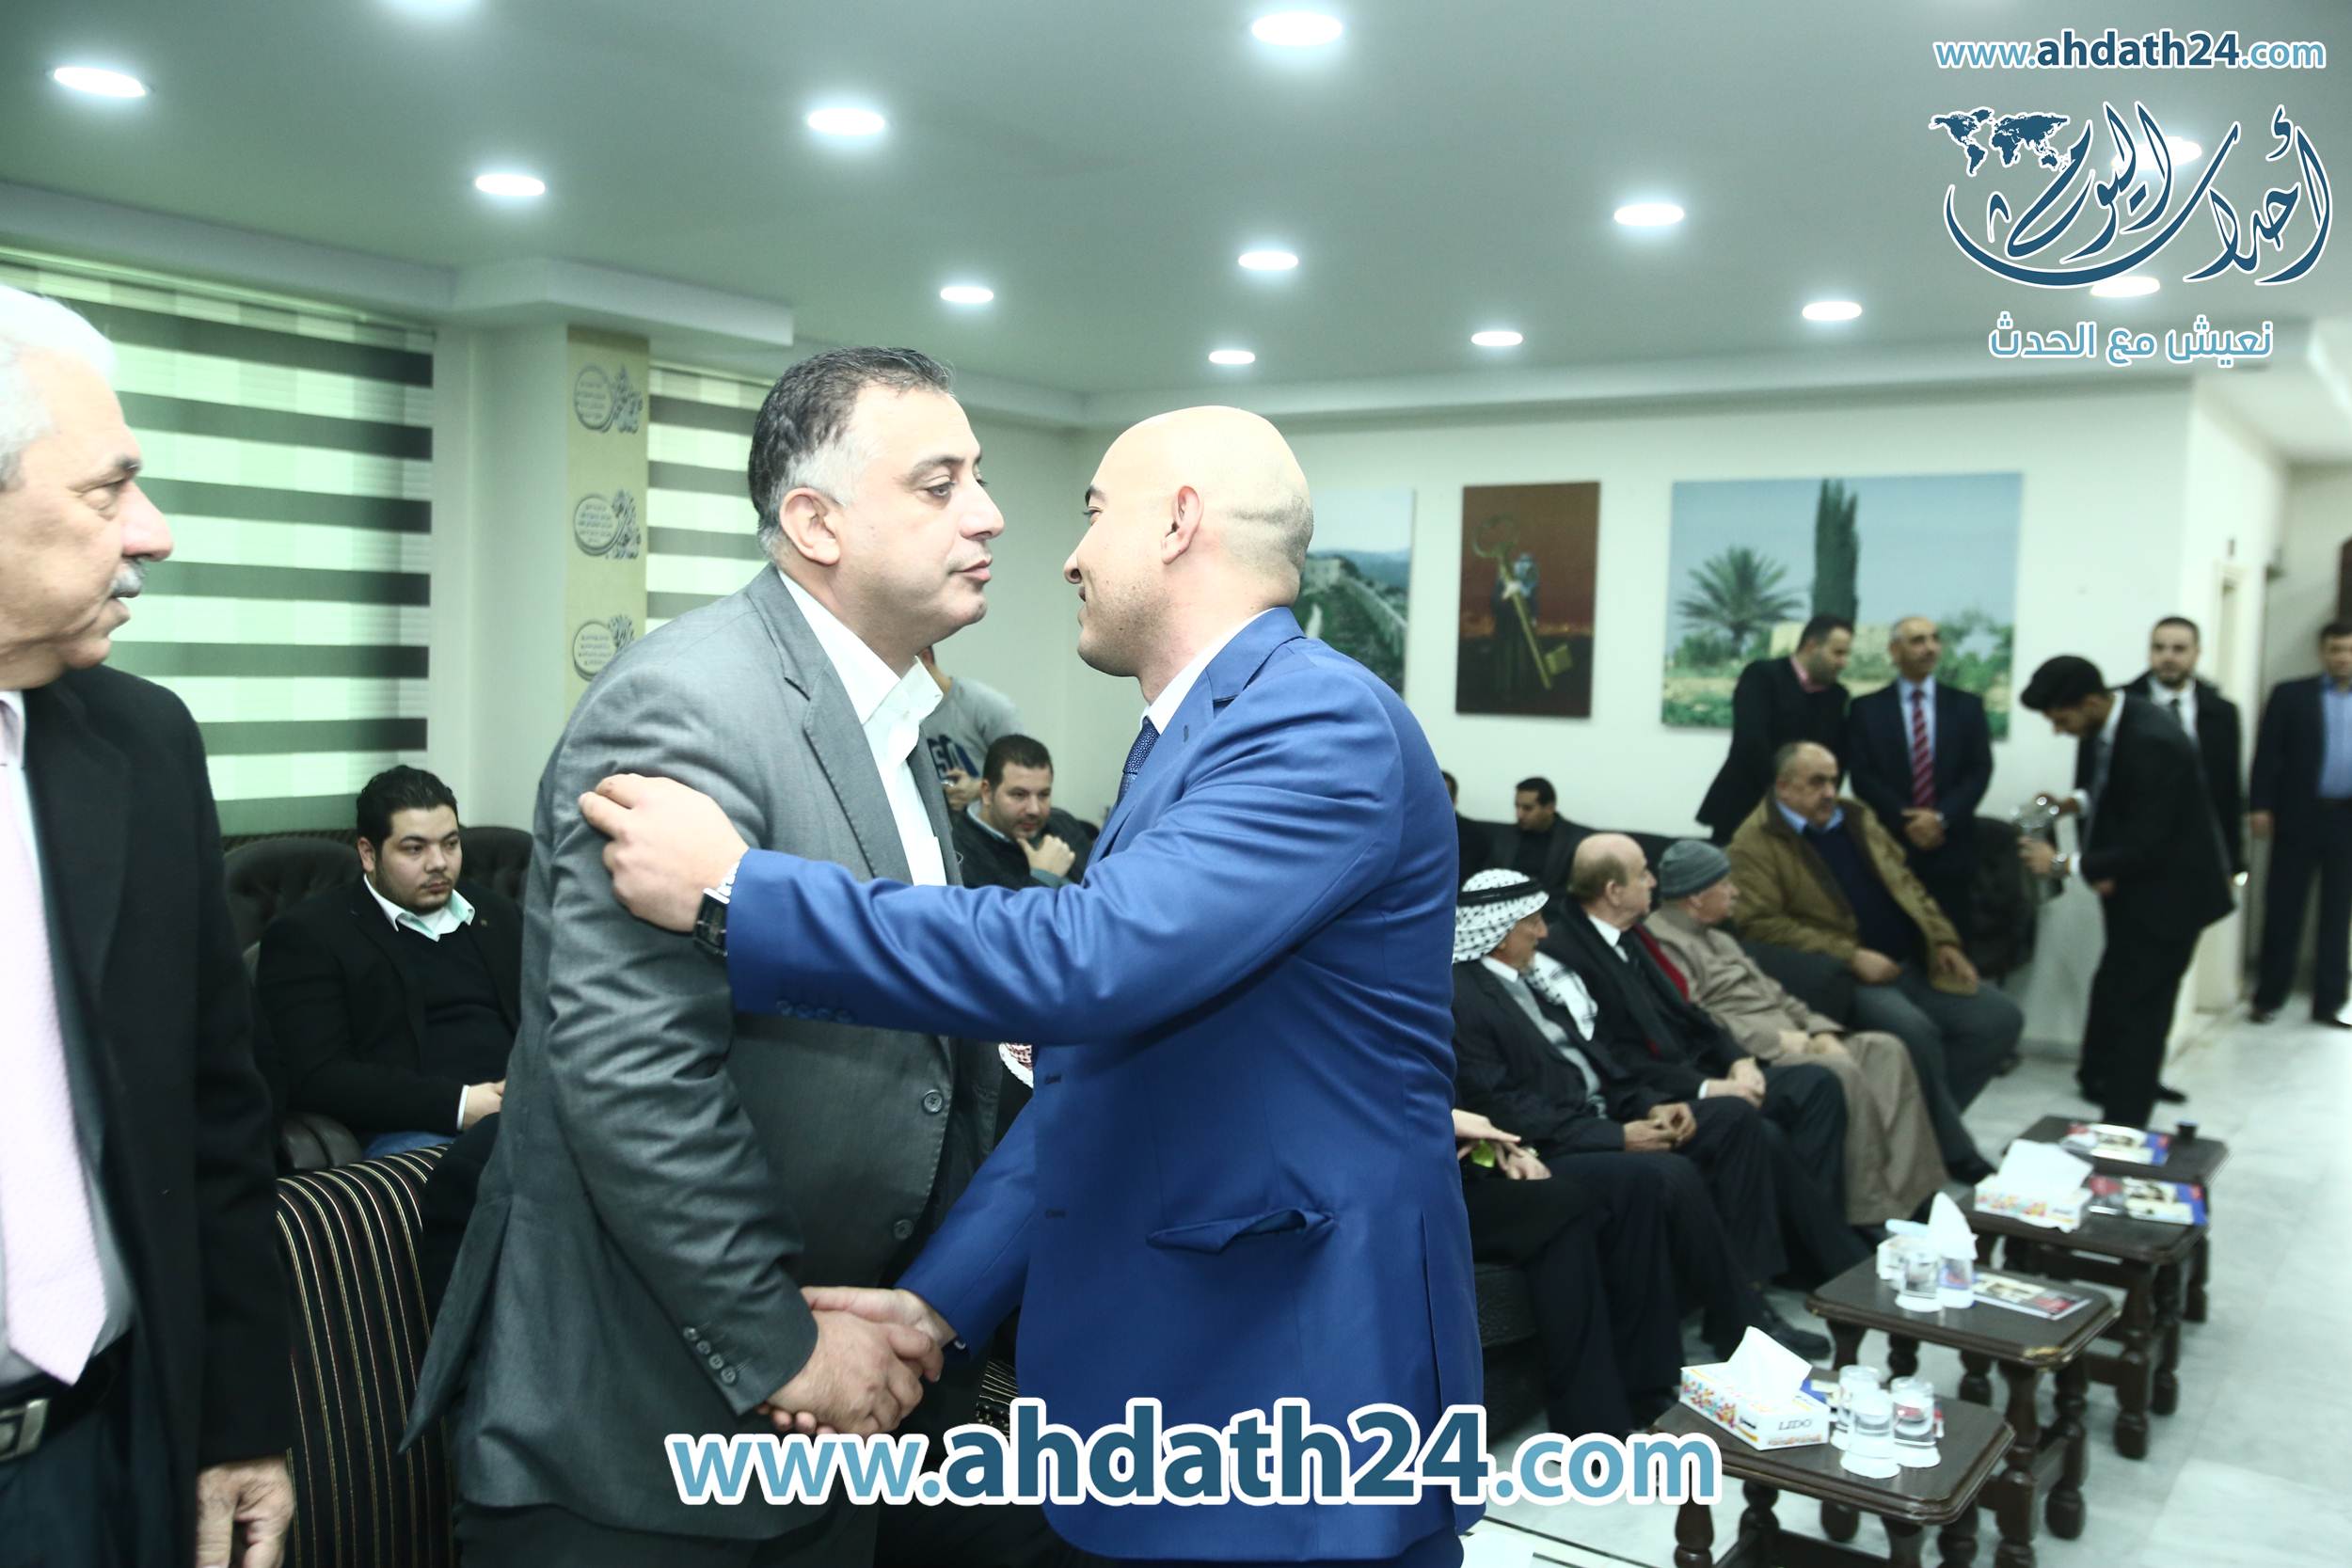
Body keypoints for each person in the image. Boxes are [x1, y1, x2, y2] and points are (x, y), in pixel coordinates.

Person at [581, 405, 1483, 1567]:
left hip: (1293, 1372)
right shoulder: (1195, 734)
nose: (1068, 553)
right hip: (1191, 1378)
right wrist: (939, 1300)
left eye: (1095, 512)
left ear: (1180, 523)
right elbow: (1102, 1080)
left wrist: (738, 892)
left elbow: (1087, 960)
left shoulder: (1316, 718)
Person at [405, 347, 1077, 1567]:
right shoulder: (689, 703)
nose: (987, 513)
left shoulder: (902, 721)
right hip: (652, 1433)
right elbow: (634, 1078)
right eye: (940, 484)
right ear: (815, 522)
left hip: (843, 1417)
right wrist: (788, 1349)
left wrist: (918, 1313)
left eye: (977, 478)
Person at [0, 284, 293, 1566]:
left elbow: (216, 1115)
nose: (153, 533)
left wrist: (239, 1420)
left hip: (115, 1441)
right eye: (108, 488)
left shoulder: (142, 742)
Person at [1451, 871, 1831, 1362]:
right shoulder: (1465, 997)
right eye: (1533, 923)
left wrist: (1651, 1105)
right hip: (1552, 1142)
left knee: (1735, 1118)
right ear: (1501, 933)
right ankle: (1741, 1323)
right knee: (1669, 1172)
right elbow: (1505, 1106)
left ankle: (1751, 1294)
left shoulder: (1536, 980)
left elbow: (1600, 1065)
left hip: (1602, 1113)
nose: (1544, 933)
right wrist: (1616, 1136)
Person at [1543, 834, 1867, 1282]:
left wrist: (1738, 1060)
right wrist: (1708, 1087)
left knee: (1818, 1085)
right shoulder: (1564, 953)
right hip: (1657, 1091)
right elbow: (1613, 1058)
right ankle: (1810, 1265)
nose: (1653, 881)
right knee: (1763, 1132)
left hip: (1698, 1066)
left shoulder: (1632, 933)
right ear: (1614, 891)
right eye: (1643, 873)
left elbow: (1690, 1012)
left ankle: (1808, 1246)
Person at [1729, 742, 2014, 1182]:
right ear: (1783, 787)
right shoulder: (1755, 841)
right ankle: (1954, 1150)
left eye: (1833, 780)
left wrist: (1943, 940)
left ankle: (1922, 1135)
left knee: (1998, 1018)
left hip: (1911, 961)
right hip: (1848, 977)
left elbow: (1906, 884)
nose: (1830, 792)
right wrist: (1850, 955)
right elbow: (1761, 925)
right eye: (1816, 782)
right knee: (1915, 1034)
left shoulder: (1855, 817)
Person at [1644, 840, 1948, 1224]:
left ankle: (1912, 1196)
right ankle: (1865, 1211)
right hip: (1754, 1055)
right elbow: (1696, 1020)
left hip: (1798, 1036)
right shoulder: (1660, 943)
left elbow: (1778, 995)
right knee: (1840, 1072)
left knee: (1885, 1049)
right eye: (1725, 884)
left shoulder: (1720, 937)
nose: (1735, 892)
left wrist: (1820, 1032)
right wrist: (1777, 1041)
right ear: (1697, 896)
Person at [257, 766, 521, 1158]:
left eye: (450, 844)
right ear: (368, 853)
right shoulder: (309, 935)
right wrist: (461, 1105)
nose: (438, 863)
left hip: (522, 1107)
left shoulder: (497, 915)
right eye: (415, 849)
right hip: (413, 1129)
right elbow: (316, 1076)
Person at [2018, 657, 2234, 1127]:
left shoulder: (2152, 741)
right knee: (2121, 1000)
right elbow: (2120, 789)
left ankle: (2124, 1129)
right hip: (2139, 893)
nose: (2059, 730)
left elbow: (2146, 845)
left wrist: (2060, 863)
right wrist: (2072, 804)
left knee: (2141, 1015)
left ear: (2090, 702)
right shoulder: (2120, 719)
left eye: (2061, 719)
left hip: (2169, 900)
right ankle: (2110, 1093)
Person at [1449, 1103, 1681, 1439]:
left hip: (1456, 1165)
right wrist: (1442, 1119)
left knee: (1628, 1184)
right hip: (1402, 1189)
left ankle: (1639, 1392)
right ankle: (1591, 1428)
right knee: (1562, 1208)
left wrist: (1511, 1152)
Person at [1843, 616, 1994, 943]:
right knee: (1893, 940)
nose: (1930, 648)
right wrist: (1906, 819)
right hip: (1891, 843)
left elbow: (1979, 771)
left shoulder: (1967, 706)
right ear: (1894, 651)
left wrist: (1939, 818)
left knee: (1952, 942)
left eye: (1934, 639)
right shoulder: (1866, 709)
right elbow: (1862, 775)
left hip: (1951, 844)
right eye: (1918, 641)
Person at [2249, 621, 2352, 1027]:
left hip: (2347, 819)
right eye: (2335, 649)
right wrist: (2260, 804)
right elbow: (2268, 752)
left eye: (2349, 650)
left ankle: (2330, 1002)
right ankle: (2269, 997)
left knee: (2338, 913)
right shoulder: (2291, 695)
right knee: (2283, 908)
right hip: (2298, 815)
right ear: (2322, 652)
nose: (2342, 657)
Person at [1696, 613, 1853, 845]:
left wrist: (1820, 798)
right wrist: (1785, 796)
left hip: (1803, 817)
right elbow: (1750, 742)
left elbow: (1837, 754)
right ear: (1811, 646)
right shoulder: (1762, 675)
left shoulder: (1837, 696)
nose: (1843, 662)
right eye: (1837, 653)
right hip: (1745, 808)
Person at [2124, 615, 2246, 885]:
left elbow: (2229, 788)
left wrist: (2234, 860)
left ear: (2196, 653)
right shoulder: (2122, 704)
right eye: (2159, 648)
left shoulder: (2222, 712)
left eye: (2178, 649)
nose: (2167, 657)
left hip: (2199, 844)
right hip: (2135, 847)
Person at [949, 735, 1093, 891]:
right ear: (987, 793)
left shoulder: (1063, 821)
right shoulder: (959, 853)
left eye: (1043, 794)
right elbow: (999, 908)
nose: (1034, 810)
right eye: (1019, 794)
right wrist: (1043, 878)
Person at [918, 643, 1022, 814]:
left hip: (990, 821)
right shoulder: (902, 715)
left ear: (925, 658)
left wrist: (978, 789)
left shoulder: (987, 705)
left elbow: (1026, 775)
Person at [1495, 775, 1578, 910]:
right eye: (1517, 806)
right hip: (1505, 907)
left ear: (1549, 808)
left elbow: (1571, 891)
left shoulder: (1572, 841)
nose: (1519, 814)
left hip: (1548, 910)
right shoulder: (1506, 836)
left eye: (1527, 808)